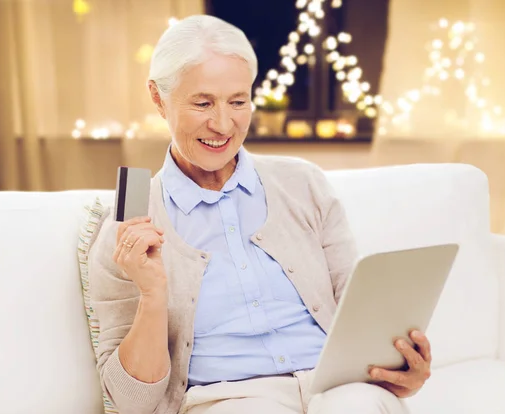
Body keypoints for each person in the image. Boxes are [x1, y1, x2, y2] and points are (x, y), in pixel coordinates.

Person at [87, 14, 432, 414]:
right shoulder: (130, 226)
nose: (222, 124)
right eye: (202, 103)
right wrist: (151, 295)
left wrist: (401, 366)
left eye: (238, 102)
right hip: (230, 399)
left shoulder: (303, 184)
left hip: (335, 386)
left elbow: (356, 307)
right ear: (157, 98)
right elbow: (132, 403)